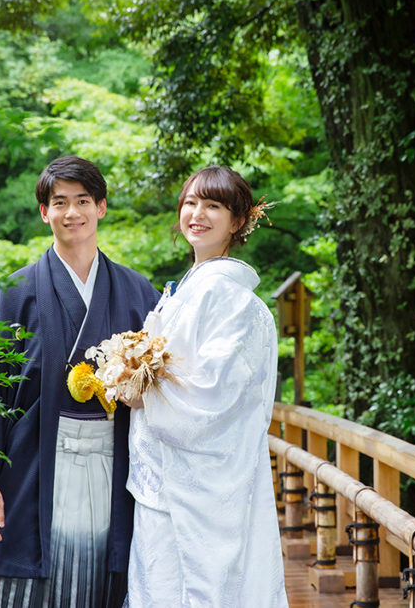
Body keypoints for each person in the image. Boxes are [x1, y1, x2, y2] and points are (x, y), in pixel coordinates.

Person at [0, 156, 160, 608]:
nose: (71, 213)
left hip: (111, 466)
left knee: (103, 577)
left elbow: (161, 387)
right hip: (31, 467)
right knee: (25, 584)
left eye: (82, 201)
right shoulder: (15, 293)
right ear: (44, 212)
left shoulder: (138, 294)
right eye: (60, 203)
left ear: (101, 208)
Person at [123, 165, 288, 607]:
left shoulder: (228, 297)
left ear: (237, 221)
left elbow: (214, 393)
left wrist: (141, 391)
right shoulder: (187, 289)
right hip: (163, 476)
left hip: (194, 483)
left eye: (213, 205)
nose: (197, 213)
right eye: (191, 202)